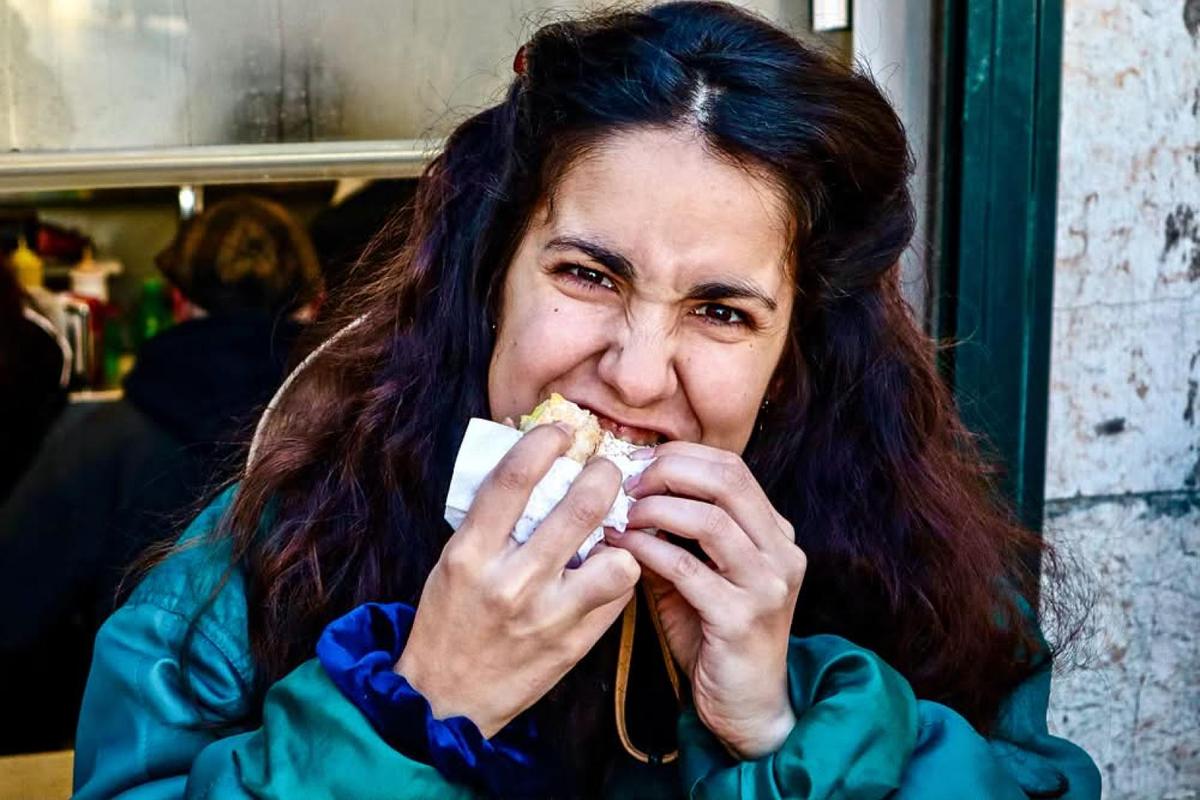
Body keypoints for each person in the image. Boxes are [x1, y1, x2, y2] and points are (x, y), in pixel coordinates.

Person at [72, 4, 1099, 798]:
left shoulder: (917, 575)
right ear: (491, 281)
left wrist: (786, 734)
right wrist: (419, 706)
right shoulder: (261, 563)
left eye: (723, 311)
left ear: (792, 355)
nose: (640, 373)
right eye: (589, 276)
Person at [0, 195, 321, 754]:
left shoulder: (103, 440)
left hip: (136, 753)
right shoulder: (359, 437)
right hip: (314, 763)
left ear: (178, 299)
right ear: (310, 306)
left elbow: (10, 607)